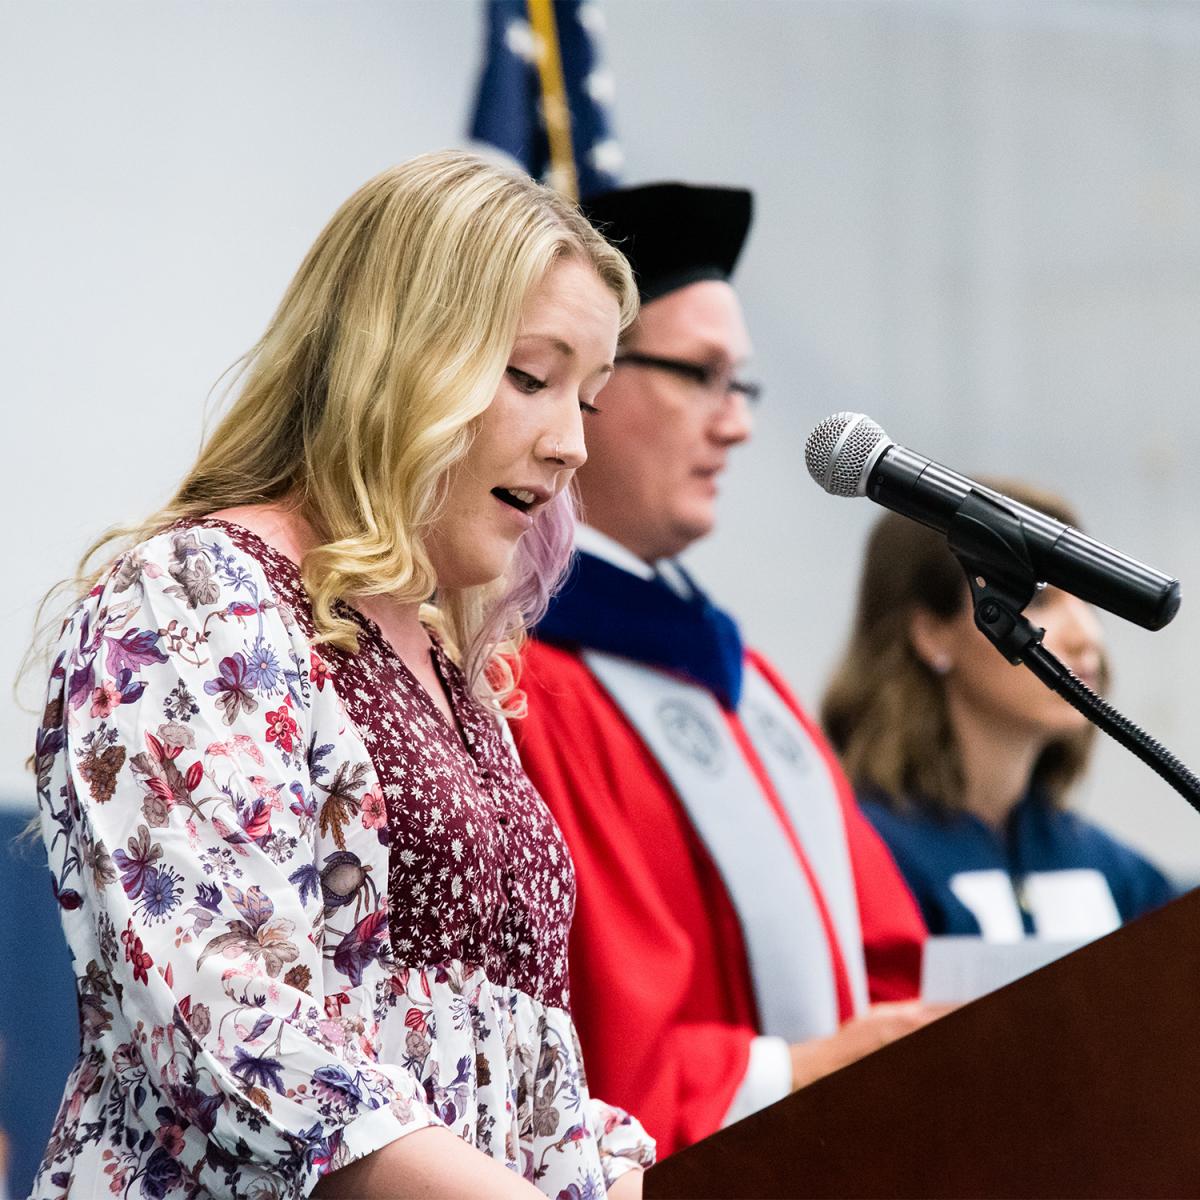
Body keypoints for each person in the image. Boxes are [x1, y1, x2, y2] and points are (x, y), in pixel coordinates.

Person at [30, 151, 655, 1199]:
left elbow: (502, 1050)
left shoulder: (450, 659)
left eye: (586, 401)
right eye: (530, 377)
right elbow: (231, 1031)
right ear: (400, 358)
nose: (569, 448)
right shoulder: (197, 596)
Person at [511, 182, 935, 1159]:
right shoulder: (529, 683)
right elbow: (592, 1038)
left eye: (740, 384)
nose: (737, 423)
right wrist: (803, 1075)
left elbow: (886, 963)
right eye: (701, 375)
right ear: (585, 385)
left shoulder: (746, 684)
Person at [822, 481, 1177, 940]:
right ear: (931, 633)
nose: (1086, 635)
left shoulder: (1122, 877)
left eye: (1088, 598)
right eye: (1040, 597)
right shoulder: (858, 857)